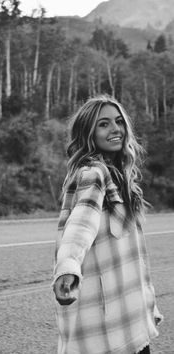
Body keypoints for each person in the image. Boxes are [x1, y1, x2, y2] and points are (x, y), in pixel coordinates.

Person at [52, 95, 163, 354]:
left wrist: (149, 306)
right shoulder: (94, 173)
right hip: (107, 329)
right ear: (88, 133)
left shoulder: (119, 177)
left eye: (118, 121)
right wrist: (67, 267)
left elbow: (133, 259)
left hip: (128, 317)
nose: (115, 129)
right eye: (103, 124)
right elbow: (81, 223)